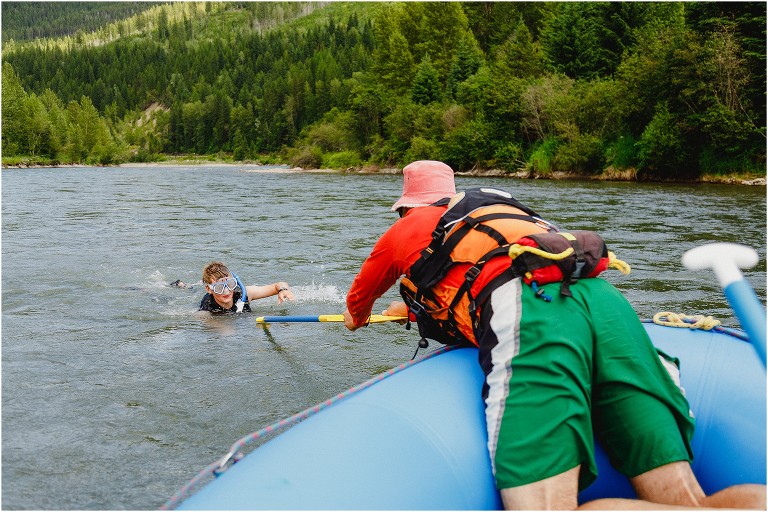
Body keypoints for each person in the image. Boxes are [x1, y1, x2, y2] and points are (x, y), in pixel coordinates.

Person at [342, 160, 765, 510]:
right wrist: (417, 309)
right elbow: (470, 283)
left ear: (405, 206)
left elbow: (356, 306)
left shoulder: (403, 231)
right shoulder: (498, 211)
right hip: (603, 301)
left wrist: (370, 316)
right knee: (686, 499)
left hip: (535, 307)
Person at [199, 261, 294, 314]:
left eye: (230, 284)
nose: (227, 291)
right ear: (209, 289)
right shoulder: (207, 309)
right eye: (219, 288)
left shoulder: (243, 294)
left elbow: (279, 284)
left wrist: (283, 290)